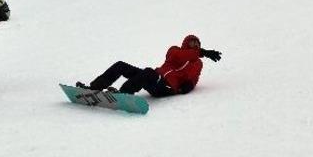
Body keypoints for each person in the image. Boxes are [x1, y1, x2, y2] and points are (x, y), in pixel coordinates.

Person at [78, 35, 222, 97]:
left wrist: (189, 85)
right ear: (185, 44)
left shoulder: (198, 63)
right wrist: (201, 52)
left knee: (148, 72)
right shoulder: (175, 50)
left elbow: (193, 78)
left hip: (167, 87)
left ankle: (124, 94)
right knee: (121, 65)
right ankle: (94, 88)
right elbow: (179, 57)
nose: (195, 45)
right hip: (155, 78)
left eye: (197, 44)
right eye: (192, 43)